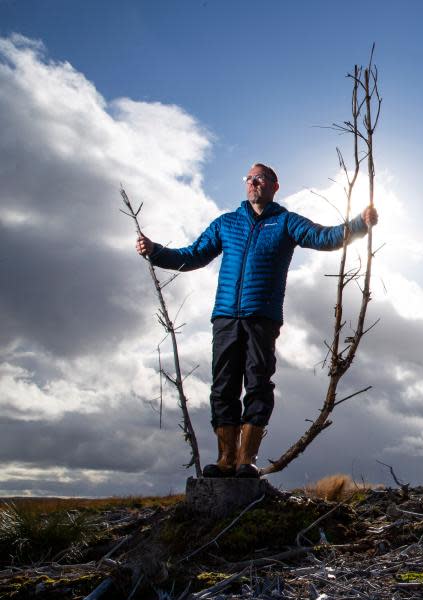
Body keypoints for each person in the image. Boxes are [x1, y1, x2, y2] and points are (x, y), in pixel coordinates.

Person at [136, 163, 378, 478]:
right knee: (223, 387)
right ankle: (225, 459)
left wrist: (360, 223)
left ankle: (246, 459)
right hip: (225, 317)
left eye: (260, 178)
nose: (253, 183)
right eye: (249, 179)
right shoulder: (227, 224)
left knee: (257, 384)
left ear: (275, 186)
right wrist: (155, 251)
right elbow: (193, 255)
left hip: (261, 318)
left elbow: (325, 237)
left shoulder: (286, 222)